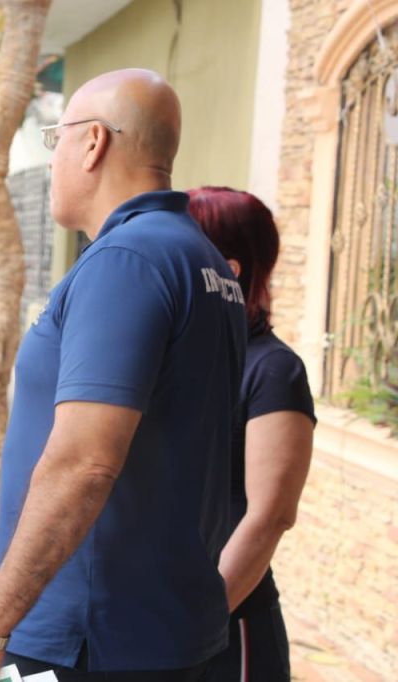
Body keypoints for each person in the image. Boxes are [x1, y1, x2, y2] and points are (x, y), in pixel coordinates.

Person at [0, 68, 247, 682]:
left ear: (94, 143)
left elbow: (84, 462)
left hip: (91, 641)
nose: (52, 160)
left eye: (56, 139)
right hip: (170, 632)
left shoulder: (127, 260)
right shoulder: (203, 259)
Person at [187, 186, 316, 681]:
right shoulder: (182, 357)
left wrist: (197, 624)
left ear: (227, 270)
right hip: (152, 624)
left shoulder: (272, 370)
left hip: (225, 629)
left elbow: (269, 516)